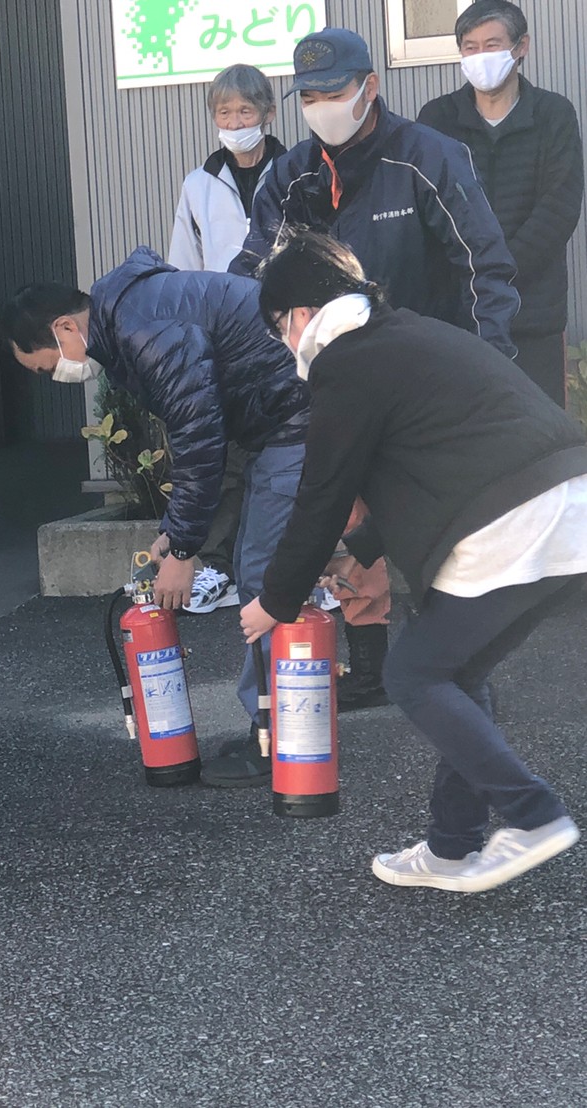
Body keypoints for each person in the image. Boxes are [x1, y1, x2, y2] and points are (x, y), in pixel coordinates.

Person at [242, 229, 585, 893]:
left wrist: (274, 601)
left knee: (412, 673)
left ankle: (533, 814)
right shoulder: (408, 334)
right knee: (455, 671)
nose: (284, 343)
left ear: (302, 315)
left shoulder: (346, 362)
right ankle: (451, 847)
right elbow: (437, 461)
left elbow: (321, 495)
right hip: (567, 500)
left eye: (279, 326)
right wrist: (359, 554)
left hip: (512, 519)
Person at [231, 26, 523, 712]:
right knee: (348, 515)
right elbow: (254, 275)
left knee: (431, 535)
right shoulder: (291, 175)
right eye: (308, 97)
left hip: (426, 385)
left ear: (370, 87)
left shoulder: (427, 157)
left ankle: (459, 681)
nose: (321, 107)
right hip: (336, 381)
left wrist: (491, 369)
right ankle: (368, 668)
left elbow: (483, 267)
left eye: (333, 92)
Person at [3, 247, 310, 787]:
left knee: (266, 576)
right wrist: (174, 533)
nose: (55, 376)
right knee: (257, 565)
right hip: (279, 414)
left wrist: (185, 551)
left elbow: (198, 433)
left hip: (296, 413)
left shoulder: (141, 326)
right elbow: (202, 433)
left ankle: (280, 736)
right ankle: (280, 723)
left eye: (47, 366)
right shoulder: (133, 313)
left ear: (65, 328)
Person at [418, 1, 584, 407]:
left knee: (539, 428)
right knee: (464, 428)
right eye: (470, 47)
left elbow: (559, 208)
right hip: (459, 316)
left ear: (521, 46)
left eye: (492, 45)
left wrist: (499, 274)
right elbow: (426, 211)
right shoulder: (437, 119)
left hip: (534, 313)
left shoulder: (553, 114)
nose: (481, 57)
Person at [168, 63, 287, 616]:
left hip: (291, 328)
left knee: (294, 446)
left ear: (268, 113)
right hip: (226, 335)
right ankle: (218, 565)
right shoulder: (199, 183)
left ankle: (297, 568)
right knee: (230, 451)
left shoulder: (297, 169)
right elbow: (184, 266)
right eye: (225, 112)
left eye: (245, 111)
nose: (235, 122)